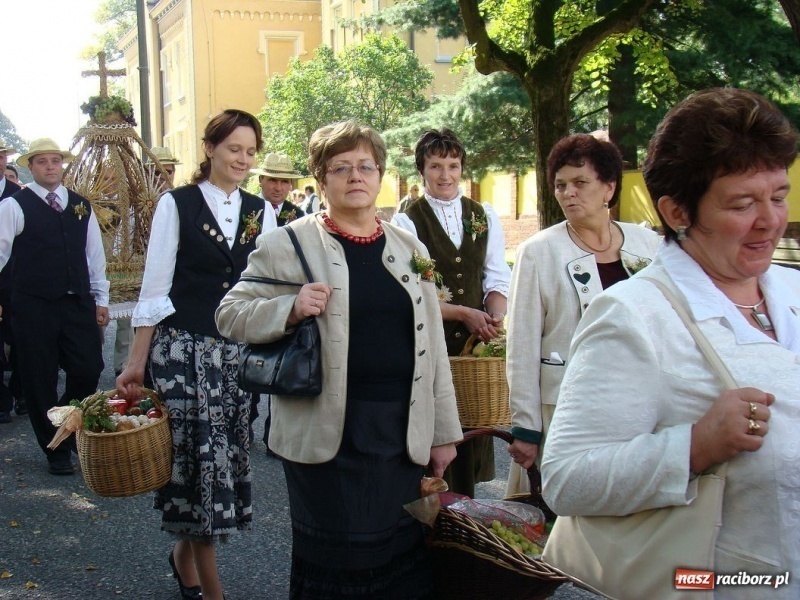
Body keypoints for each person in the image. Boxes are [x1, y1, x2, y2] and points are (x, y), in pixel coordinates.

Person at [541, 88, 800, 598]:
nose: (770, 220)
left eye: (778, 195)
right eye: (743, 203)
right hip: (720, 582)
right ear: (678, 211)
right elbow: (568, 478)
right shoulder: (635, 315)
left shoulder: (793, 287)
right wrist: (697, 445)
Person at [216, 120, 462, 599]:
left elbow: (432, 345)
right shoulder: (286, 243)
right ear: (321, 178)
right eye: (341, 167)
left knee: (400, 556)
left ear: (380, 174)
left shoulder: (409, 248)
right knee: (339, 563)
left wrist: (445, 433)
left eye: (366, 166)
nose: (355, 177)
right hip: (325, 434)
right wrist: (289, 308)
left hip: (399, 432)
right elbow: (230, 315)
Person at [116, 109, 266, 600]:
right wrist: (136, 362)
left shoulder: (259, 211)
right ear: (211, 149)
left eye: (249, 151)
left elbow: (265, 284)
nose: (242, 159)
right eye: (233, 149)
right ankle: (212, 591)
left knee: (223, 465)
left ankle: (183, 559)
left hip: (235, 357)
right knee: (200, 466)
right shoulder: (175, 204)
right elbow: (155, 287)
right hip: (183, 353)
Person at [504, 134, 660, 494]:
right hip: (567, 410)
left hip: (639, 405)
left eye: (580, 183)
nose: (568, 193)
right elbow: (522, 345)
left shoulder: (648, 245)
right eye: (560, 185)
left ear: (609, 187)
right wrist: (526, 427)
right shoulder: (539, 252)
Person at [391, 128, 511, 497]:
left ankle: (466, 519)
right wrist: (462, 313)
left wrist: (494, 317)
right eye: (436, 166)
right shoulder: (408, 222)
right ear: (422, 170)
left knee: (474, 427)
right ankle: (436, 515)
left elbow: (496, 277)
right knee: (439, 432)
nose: (446, 175)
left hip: (474, 348)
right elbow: (413, 293)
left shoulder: (483, 215)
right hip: (432, 340)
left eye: (453, 165)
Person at [0, 138, 109, 470]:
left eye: (55, 161)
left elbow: (94, 255)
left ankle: (63, 423)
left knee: (89, 367)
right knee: (39, 376)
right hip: (33, 306)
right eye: (42, 161)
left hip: (76, 303)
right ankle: (56, 451)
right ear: (30, 167)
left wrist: (101, 298)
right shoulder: (13, 206)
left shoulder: (80, 205)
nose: (50, 166)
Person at [0, 142, 22, 424]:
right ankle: (2, 401)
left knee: (20, 339)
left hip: (16, 280)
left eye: (2, 155)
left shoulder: (19, 196)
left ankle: (21, 390)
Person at [254, 153, 305, 226]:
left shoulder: (300, 216)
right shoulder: (244, 207)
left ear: (291, 184)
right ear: (260, 180)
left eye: (284, 181)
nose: (278, 188)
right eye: (273, 180)